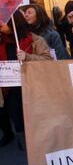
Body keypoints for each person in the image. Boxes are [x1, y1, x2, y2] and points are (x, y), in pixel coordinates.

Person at [0, 11, 52, 149]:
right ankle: (25, 147)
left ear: (13, 21)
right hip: (10, 90)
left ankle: (40, 147)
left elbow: (48, 61)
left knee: (35, 118)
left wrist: (28, 57)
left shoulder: (35, 40)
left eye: (3, 20)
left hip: (32, 88)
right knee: (17, 119)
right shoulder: (1, 42)